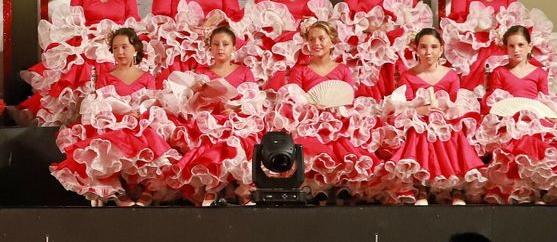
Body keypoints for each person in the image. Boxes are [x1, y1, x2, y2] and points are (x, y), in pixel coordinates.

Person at [50, 28, 177, 206]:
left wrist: (138, 113)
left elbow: (152, 102)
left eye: (124, 47)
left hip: (141, 120)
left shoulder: (147, 77)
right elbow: (101, 105)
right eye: (115, 48)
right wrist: (121, 114)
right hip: (113, 121)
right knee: (114, 138)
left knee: (149, 133)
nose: (120, 52)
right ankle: (119, 190)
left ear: (135, 49)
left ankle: (145, 189)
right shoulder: (105, 77)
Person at [20, 0, 140, 124]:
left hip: (116, 44)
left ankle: (111, 119)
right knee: (79, 67)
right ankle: (79, 120)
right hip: (87, 42)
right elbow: (73, 20)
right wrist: (90, 35)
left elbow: (133, 22)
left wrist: (114, 37)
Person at [476, 26, 557, 203]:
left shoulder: (539, 73)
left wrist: (547, 115)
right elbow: (494, 100)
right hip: (509, 122)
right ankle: (522, 191)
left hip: (535, 120)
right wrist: (505, 116)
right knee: (519, 145)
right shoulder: (499, 72)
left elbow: (544, 99)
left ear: (529, 46)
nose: (516, 50)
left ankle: (540, 189)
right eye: (511, 46)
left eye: (520, 45)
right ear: (506, 48)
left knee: (540, 145)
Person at [265, 21, 376, 201]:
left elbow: (348, 99)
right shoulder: (300, 70)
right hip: (309, 119)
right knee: (310, 142)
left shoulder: (343, 70)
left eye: (321, 38)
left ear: (332, 41)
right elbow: (292, 97)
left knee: (343, 141)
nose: (316, 43)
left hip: (337, 118)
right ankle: (317, 187)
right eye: (312, 39)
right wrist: (311, 107)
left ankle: (342, 184)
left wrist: (337, 109)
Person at [377, 28, 484, 205]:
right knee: (418, 132)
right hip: (419, 120)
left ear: (441, 49)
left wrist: (446, 112)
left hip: (446, 120)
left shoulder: (450, 75)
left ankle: (455, 188)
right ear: (416, 49)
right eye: (424, 47)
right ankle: (421, 189)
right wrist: (419, 112)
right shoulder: (408, 76)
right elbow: (404, 104)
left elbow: (457, 103)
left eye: (434, 47)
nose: (428, 52)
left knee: (452, 132)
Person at [164, 25, 264, 206]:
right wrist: (195, 92)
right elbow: (189, 107)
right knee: (209, 138)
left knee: (236, 140)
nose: (220, 48)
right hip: (209, 121)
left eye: (225, 44)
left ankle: (240, 187)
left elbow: (254, 101)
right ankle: (211, 186)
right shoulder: (201, 73)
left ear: (233, 48)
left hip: (237, 120)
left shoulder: (244, 72)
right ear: (209, 47)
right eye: (215, 44)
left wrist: (236, 110)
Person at [340, 0, 430, 100]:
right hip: (367, 48)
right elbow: (348, 20)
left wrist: (394, 32)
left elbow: (413, 20)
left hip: (397, 47)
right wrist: (372, 29)